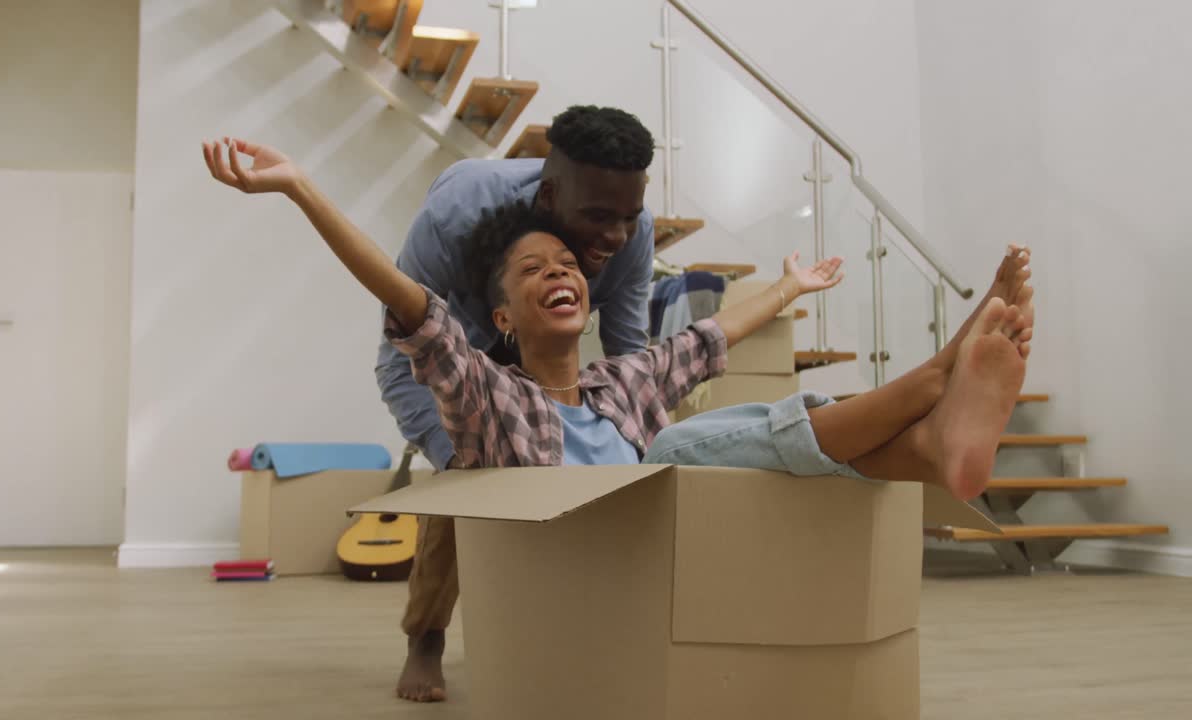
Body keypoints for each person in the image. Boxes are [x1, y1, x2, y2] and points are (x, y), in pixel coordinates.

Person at [202, 134, 1036, 702]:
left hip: (655, 571)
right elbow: (406, 299)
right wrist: (299, 188)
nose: (560, 273)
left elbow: (717, 334)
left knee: (699, 433)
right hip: (573, 575)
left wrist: (791, 288)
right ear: (499, 320)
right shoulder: (489, 403)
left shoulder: (621, 385)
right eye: (533, 271)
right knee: (676, 444)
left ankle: (929, 439)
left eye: (567, 264)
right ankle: (932, 383)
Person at [370, 105, 658, 701]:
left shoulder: (631, 234)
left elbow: (632, 358)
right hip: (464, 355)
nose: (615, 237)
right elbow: (398, 358)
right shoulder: (461, 208)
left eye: (628, 217)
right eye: (599, 217)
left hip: (548, 365)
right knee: (465, 483)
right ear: (549, 194)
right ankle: (426, 638)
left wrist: (642, 452)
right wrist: (458, 456)